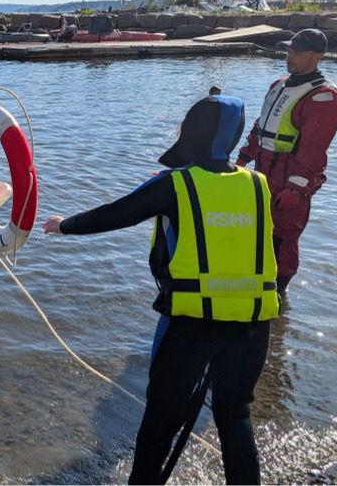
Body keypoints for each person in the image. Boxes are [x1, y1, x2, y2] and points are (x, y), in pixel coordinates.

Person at [42, 95, 279, 484]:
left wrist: (63, 225)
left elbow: (117, 214)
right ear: (234, 136)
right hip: (252, 325)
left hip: (192, 324)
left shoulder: (177, 185)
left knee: (161, 421)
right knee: (234, 414)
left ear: (191, 132)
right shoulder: (258, 185)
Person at [235, 28, 337, 301]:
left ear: (317, 56)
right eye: (289, 50)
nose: (290, 56)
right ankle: (255, 290)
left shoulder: (323, 98)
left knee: (283, 238)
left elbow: (313, 151)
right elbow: (260, 128)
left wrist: (296, 189)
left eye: (297, 51)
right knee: (255, 230)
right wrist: (241, 159)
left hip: (289, 177)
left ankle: (278, 296)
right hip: (262, 172)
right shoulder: (279, 85)